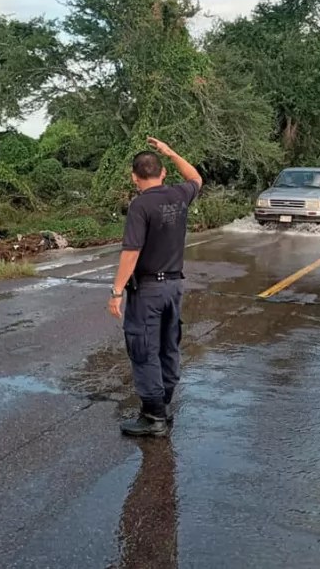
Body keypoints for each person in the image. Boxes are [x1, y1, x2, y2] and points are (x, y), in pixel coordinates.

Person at [108, 137, 202, 436]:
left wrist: (117, 291)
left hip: (148, 290)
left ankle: (153, 417)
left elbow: (131, 251)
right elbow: (196, 177)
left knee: (143, 348)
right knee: (168, 346)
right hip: (174, 287)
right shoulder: (179, 194)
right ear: (162, 173)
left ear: (134, 178)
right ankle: (164, 405)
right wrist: (171, 152)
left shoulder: (140, 205)